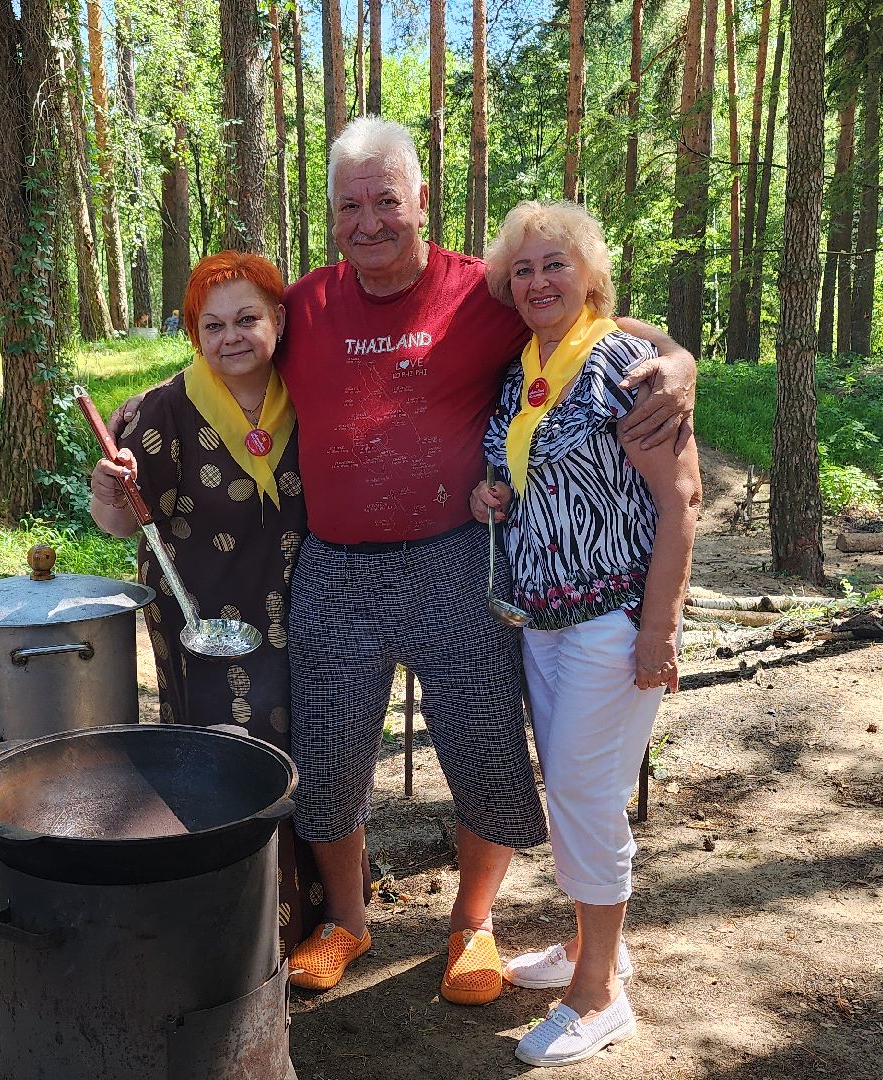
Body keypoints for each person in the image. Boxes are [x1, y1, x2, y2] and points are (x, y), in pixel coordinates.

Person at [269, 116, 698, 1007]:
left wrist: (675, 358)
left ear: (422, 199)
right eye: (351, 205)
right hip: (337, 568)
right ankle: (345, 920)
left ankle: (473, 924)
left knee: (482, 747)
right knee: (332, 750)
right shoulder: (303, 305)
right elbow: (218, 346)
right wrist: (134, 433)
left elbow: (591, 317)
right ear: (332, 216)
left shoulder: (485, 291)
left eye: (388, 200)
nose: (370, 221)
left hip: (455, 563)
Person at [469, 201, 701, 1067]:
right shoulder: (524, 368)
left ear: (589, 275)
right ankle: (592, 944)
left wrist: (659, 630)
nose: (537, 282)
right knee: (573, 788)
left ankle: (599, 995)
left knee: (582, 790)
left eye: (554, 264)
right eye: (522, 270)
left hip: (614, 617)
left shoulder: (627, 367)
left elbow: (680, 502)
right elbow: (516, 472)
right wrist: (487, 497)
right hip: (544, 617)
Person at [87, 251, 347, 952]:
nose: (231, 337)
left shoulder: (310, 393)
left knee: (307, 750)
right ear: (193, 334)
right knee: (223, 755)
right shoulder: (161, 412)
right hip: (202, 626)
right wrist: (108, 491)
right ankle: (232, 927)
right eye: (213, 324)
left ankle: (315, 912)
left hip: (300, 610)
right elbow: (119, 521)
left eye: (247, 319)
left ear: (279, 321)